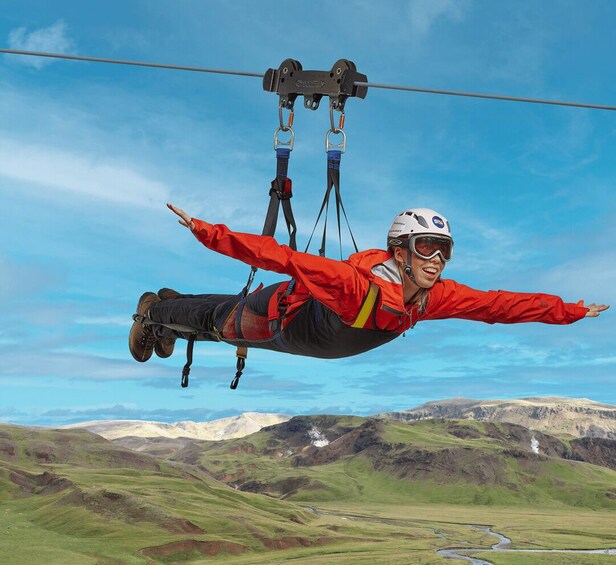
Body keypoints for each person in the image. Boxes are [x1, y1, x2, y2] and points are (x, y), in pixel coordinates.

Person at [129, 203, 609, 363]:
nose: (436, 260)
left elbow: (499, 306)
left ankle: (171, 312)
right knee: (220, 324)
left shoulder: (433, 296)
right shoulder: (354, 286)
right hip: (285, 317)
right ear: (400, 251)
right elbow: (283, 258)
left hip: (312, 336)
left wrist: (567, 311)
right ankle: (153, 313)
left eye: (444, 250)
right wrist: (207, 233)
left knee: (221, 318)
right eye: (426, 248)